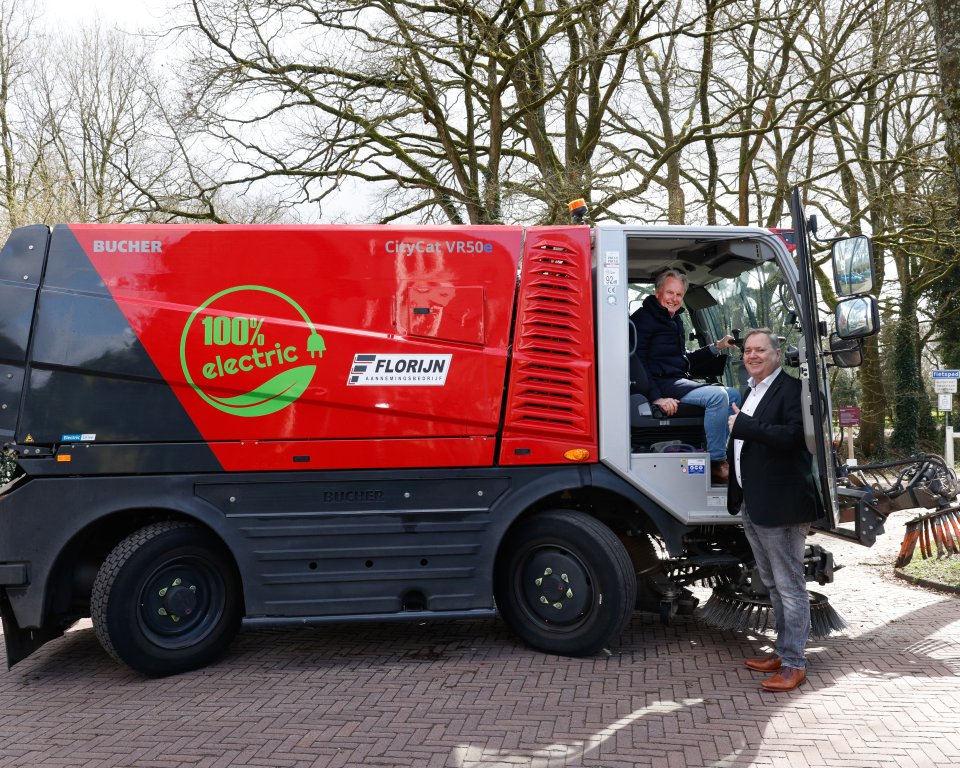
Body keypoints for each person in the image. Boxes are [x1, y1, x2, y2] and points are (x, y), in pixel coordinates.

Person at [726, 328, 824, 692]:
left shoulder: (793, 390)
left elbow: (795, 437)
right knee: (772, 585)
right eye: (748, 351)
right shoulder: (751, 391)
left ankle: (795, 664)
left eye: (760, 350)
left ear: (777, 354)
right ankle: (783, 653)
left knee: (790, 587)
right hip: (755, 503)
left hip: (783, 505)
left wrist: (745, 426)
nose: (752, 355)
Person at [632, 269, 740, 482]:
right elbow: (637, 363)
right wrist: (656, 398)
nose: (674, 299)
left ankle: (729, 457)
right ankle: (716, 464)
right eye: (669, 292)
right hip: (661, 384)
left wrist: (717, 347)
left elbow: (683, 359)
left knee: (733, 394)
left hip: (675, 380)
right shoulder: (644, 319)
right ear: (657, 292)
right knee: (718, 396)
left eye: (679, 295)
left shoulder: (674, 320)